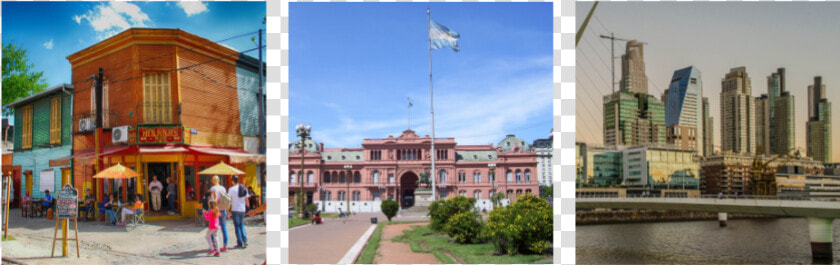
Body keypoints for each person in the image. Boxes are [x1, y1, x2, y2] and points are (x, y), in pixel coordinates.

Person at [228, 175, 249, 249]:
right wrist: (247, 207)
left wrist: (228, 210)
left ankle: (239, 243)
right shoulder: (243, 188)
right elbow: (246, 199)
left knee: (237, 226)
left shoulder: (231, 189)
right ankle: (245, 240)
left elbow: (229, 201)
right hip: (242, 209)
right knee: (241, 224)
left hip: (235, 210)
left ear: (233, 181)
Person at [210, 175, 230, 252]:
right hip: (223, 209)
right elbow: (226, 200)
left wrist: (212, 208)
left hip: (216, 210)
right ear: (219, 180)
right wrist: (228, 211)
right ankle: (225, 245)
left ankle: (214, 244)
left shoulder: (213, 188)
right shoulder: (223, 188)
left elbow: (215, 198)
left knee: (213, 227)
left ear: (213, 181)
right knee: (224, 227)